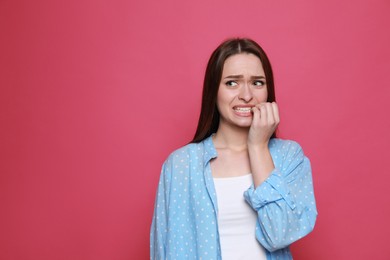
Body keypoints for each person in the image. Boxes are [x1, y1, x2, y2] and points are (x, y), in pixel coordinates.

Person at [150, 38, 317, 260]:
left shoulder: (288, 157)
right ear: (213, 90)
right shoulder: (180, 165)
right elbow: (164, 249)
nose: (247, 95)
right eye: (232, 83)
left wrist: (257, 146)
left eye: (257, 82)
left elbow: (279, 234)